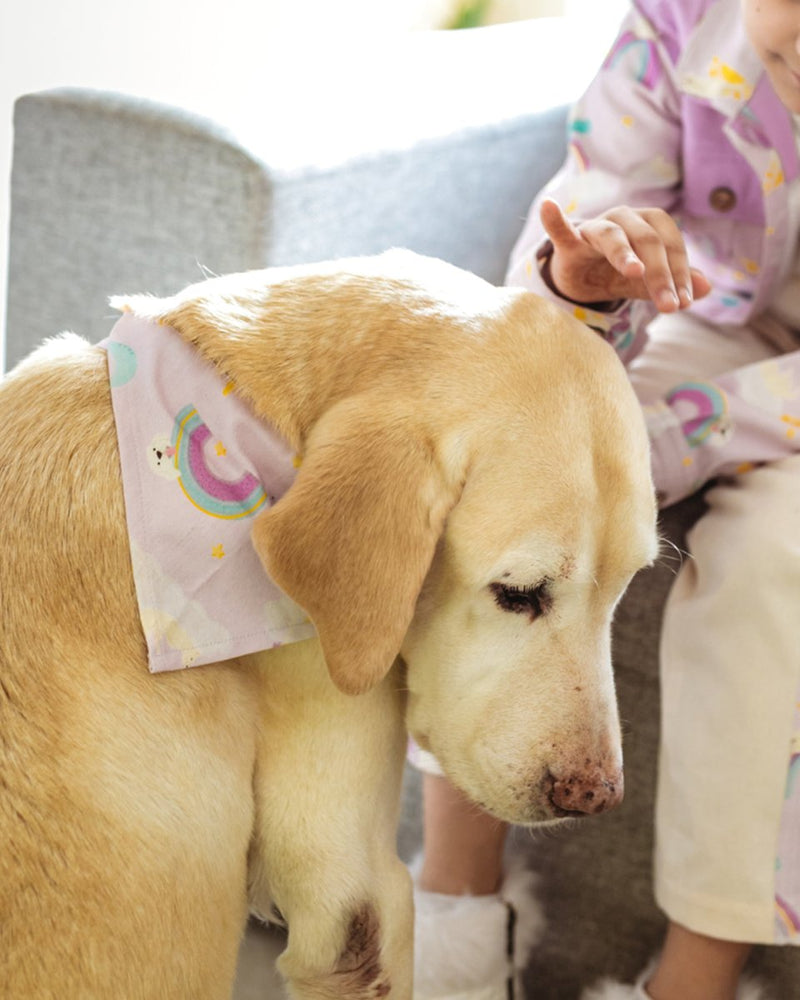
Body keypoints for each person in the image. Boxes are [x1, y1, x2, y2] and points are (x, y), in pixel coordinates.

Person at [412, 0, 800, 998]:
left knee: (770, 559)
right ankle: (452, 906)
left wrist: (668, 437)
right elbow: (552, 290)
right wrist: (586, 284)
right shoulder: (677, 25)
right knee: (529, 438)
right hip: (721, 324)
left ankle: (695, 977)